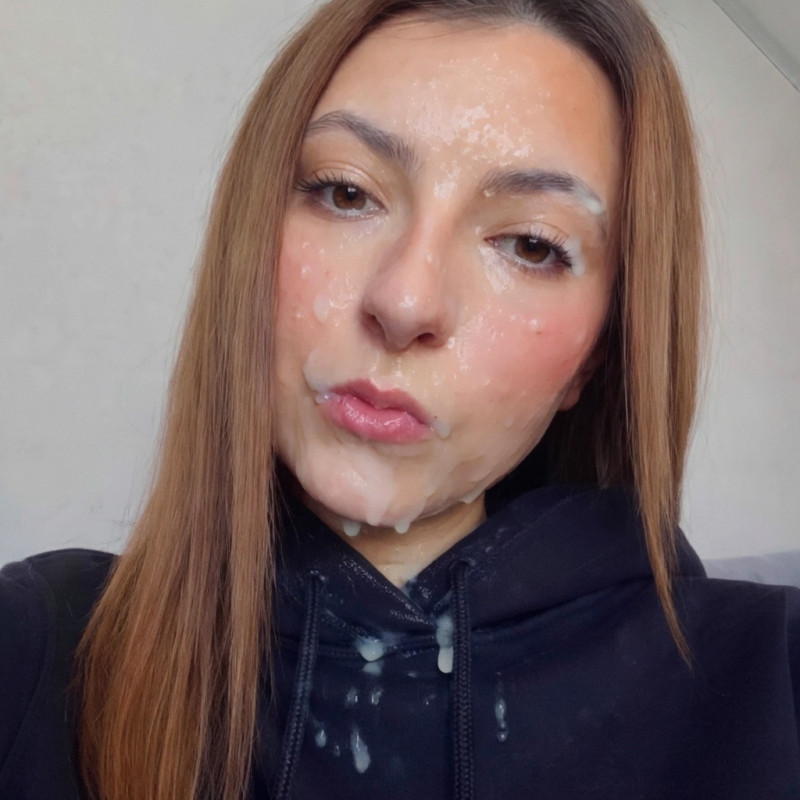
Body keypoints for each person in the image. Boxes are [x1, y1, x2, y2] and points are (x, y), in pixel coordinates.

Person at [1, 0, 798, 798]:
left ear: (596, 354)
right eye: (346, 193)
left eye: (531, 244)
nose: (405, 300)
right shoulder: (38, 651)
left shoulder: (772, 684)